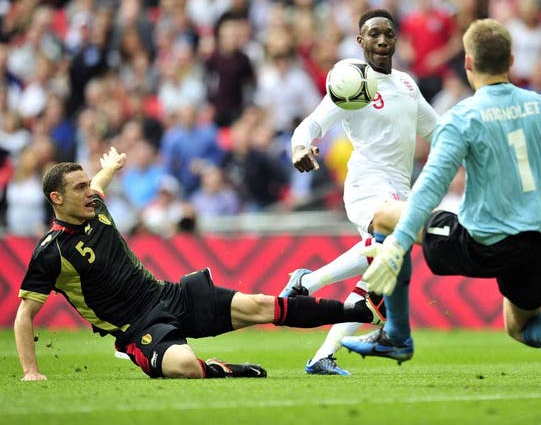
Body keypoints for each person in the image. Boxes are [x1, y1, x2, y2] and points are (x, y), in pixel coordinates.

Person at [341, 18, 541, 387]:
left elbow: (431, 187)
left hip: (481, 244)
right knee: (521, 325)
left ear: (467, 63)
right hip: (540, 246)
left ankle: (397, 336)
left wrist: (399, 244)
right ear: (512, 59)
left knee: (385, 216)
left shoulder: (463, 117)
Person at [13, 147, 385, 381]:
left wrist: (108, 167)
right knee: (185, 367)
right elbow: (24, 315)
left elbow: (98, 182)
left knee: (259, 304)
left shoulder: (95, 204)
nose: (90, 192)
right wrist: (31, 371)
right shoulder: (50, 253)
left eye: (88, 184)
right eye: (79, 189)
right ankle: (222, 370)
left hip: (168, 295)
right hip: (137, 327)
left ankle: (358, 311)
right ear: (56, 198)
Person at [279, 9, 439, 375]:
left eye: (389, 34)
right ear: (360, 41)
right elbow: (313, 123)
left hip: (400, 188)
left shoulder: (407, 85)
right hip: (368, 184)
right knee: (391, 245)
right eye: (374, 34)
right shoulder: (353, 82)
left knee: (377, 286)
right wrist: (299, 147)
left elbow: (438, 131)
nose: (382, 41)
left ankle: (322, 353)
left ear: (396, 40)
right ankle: (309, 281)